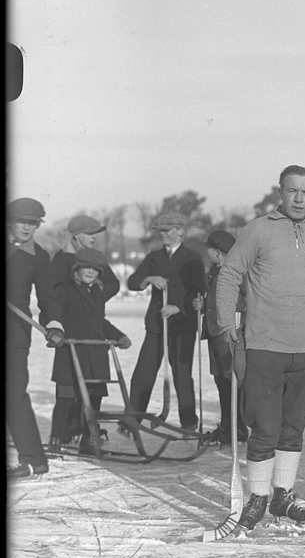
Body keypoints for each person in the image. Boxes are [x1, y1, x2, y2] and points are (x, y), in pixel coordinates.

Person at [215, 165, 305, 532]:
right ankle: (258, 498)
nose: (299, 198)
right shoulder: (258, 230)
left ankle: (282, 496)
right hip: (265, 344)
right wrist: (224, 323)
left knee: (294, 426)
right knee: (264, 426)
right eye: (292, 190)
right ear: (280, 192)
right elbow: (229, 274)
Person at [126, 211, 206, 433]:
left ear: (180, 231)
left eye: (167, 230)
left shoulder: (193, 257)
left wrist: (178, 306)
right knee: (144, 373)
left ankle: (189, 421)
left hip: (183, 325)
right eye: (160, 230)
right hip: (156, 325)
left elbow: (198, 290)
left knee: (182, 374)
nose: (162, 234)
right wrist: (148, 279)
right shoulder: (154, 257)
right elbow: (132, 281)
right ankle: (133, 419)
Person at [48, 248, 132, 455]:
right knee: (66, 400)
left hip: (95, 355)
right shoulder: (64, 290)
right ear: (77, 268)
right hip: (71, 352)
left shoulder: (98, 292)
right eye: (87, 267)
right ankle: (56, 439)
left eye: (96, 270)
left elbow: (99, 322)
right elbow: (52, 312)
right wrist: (54, 331)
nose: (91, 272)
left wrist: (119, 335)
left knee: (93, 402)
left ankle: (89, 439)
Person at [6, 198, 66, 479]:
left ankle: (34, 460)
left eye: (33, 223)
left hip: (14, 333)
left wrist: (54, 324)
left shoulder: (39, 256)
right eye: (22, 222)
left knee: (14, 395)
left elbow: (47, 295)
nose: (28, 228)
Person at [192, 230, 246, 446]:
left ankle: (238, 425)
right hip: (214, 333)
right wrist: (202, 305)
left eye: (209, 249)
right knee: (220, 380)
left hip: (230, 332)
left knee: (231, 379)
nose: (206, 253)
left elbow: (243, 300)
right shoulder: (213, 272)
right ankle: (226, 422)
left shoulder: (235, 273)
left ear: (218, 252)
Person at [49, 214, 120, 299]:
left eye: (95, 233)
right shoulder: (62, 257)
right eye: (90, 233)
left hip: (94, 311)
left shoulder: (96, 257)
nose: (94, 236)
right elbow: (55, 289)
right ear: (76, 235)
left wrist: (96, 299)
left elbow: (113, 284)